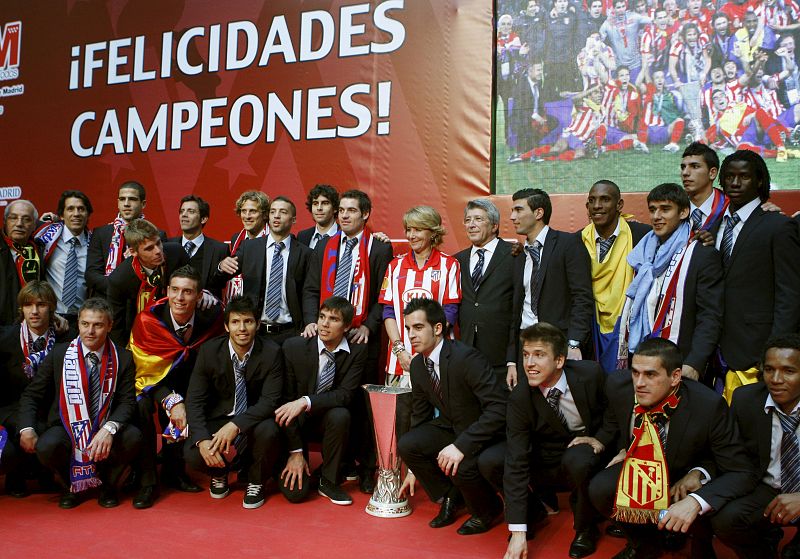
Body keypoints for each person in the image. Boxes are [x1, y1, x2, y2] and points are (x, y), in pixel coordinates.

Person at [588, 338, 757, 558]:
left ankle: (698, 540)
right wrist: (616, 446)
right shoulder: (618, 387)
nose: (639, 383)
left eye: (650, 374)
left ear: (675, 376)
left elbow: (739, 469)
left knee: (698, 490)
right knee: (601, 488)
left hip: (684, 472)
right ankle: (644, 543)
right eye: (635, 372)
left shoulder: (707, 405)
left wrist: (699, 478)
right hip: (640, 466)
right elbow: (613, 425)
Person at [481, 323, 607, 558]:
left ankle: (585, 528)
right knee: (491, 460)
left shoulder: (590, 375)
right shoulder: (520, 397)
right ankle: (532, 514)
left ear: (559, 360)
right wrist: (517, 531)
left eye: (539, 355)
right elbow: (517, 458)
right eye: (526, 355)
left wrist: (599, 439)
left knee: (579, 458)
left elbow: (612, 415)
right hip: (545, 457)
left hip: (584, 451)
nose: (529, 364)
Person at [301, 189, 393, 493]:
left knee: (363, 407)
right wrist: (313, 321)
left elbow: (384, 294)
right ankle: (335, 467)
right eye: (341, 210)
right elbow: (312, 289)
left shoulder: (378, 248)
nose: (344, 215)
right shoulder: (325, 245)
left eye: (351, 210)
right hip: (327, 338)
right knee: (335, 407)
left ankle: (368, 469)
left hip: (359, 338)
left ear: (365, 214)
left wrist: (368, 325)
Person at [16, 298, 142, 509]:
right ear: (78, 324)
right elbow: (32, 394)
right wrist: (26, 427)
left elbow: (128, 402)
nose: (90, 331)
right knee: (47, 446)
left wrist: (109, 428)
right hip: (67, 426)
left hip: (104, 425)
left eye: (98, 325)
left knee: (133, 437)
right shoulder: (60, 354)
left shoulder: (123, 358)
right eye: (85, 324)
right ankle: (70, 486)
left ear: (109, 326)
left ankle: (108, 486)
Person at [398, 298, 506, 535]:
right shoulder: (418, 366)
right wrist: (413, 469)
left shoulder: (466, 358)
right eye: (408, 329)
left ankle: (489, 508)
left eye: (418, 327)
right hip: (450, 425)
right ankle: (451, 496)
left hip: (483, 429)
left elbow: (499, 409)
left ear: (438, 328)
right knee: (408, 444)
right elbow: (420, 415)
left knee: (461, 464)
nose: (411, 335)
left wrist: (461, 445)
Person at [127, 266, 223, 508]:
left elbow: (211, 366)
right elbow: (142, 371)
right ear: (167, 291)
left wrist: (188, 400)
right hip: (151, 385)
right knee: (140, 407)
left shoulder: (212, 319)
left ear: (199, 296)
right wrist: (171, 400)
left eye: (188, 292)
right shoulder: (148, 321)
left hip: (193, 383)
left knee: (196, 404)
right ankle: (147, 480)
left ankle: (175, 471)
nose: (180, 298)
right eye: (175, 290)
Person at [184, 296, 284, 509]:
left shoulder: (271, 352)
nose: (242, 329)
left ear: (257, 324)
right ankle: (219, 473)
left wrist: (236, 425)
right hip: (219, 418)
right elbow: (194, 400)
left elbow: (270, 401)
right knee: (192, 453)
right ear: (226, 326)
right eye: (236, 322)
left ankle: (255, 480)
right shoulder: (209, 351)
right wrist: (202, 440)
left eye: (248, 321)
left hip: (254, 420)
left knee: (269, 431)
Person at [716, 150, 800, 400]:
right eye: (729, 176)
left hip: (757, 348)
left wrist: (773, 351)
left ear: (760, 181)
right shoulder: (714, 226)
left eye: (744, 176)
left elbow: (790, 294)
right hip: (716, 348)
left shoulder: (778, 226)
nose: (735, 182)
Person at [619, 183, 723, 381]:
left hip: (681, 362)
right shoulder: (643, 253)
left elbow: (710, 317)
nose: (657, 216)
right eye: (652, 210)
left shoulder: (702, 254)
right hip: (643, 358)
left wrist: (695, 363)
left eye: (665, 209)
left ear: (684, 212)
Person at [712, 334, 800, 558]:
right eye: (769, 369)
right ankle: (764, 548)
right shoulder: (746, 399)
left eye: (789, 371)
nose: (776, 379)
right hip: (768, 488)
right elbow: (729, 453)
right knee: (726, 520)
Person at [276, 296, 367, 506]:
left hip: (329, 422)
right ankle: (293, 461)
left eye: (333, 319)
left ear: (346, 327)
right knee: (296, 495)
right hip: (294, 423)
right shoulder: (294, 347)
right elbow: (285, 402)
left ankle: (329, 480)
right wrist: (296, 452)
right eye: (322, 317)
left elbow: (345, 395)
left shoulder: (358, 351)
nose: (324, 324)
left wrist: (306, 401)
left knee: (341, 413)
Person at [508, 188, 593, 386]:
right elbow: (516, 309)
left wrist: (574, 342)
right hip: (525, 344)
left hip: (559, 344)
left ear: (538, 213)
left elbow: (582, 297)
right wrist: (512, 359)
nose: (512, 217)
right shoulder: (519, 255)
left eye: (519, 210)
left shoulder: (568, 243)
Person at [0, 281, 66, 497]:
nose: (34, 311)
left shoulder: (66, 339)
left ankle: (47, 471)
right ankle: (16, 473)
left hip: (49, 408)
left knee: (49, 423)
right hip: (12, 408)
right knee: (24, 424)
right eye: (28, 305)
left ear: (52, 308)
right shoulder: (5, 338)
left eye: (41, 305)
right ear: (21, 309)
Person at [214, 196, 310, 344]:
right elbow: (218, 279)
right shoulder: (250, 248)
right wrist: (221, 267)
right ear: (268, 216)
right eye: (273, 212)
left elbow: (309, 292)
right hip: (255, 332)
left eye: (283, 212)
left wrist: (309, 323)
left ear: (294, 219)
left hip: (291, 333)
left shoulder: (305, 253)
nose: (276, 216)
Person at [580, 180, 651, 373]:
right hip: (590, 327)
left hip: (629, 326)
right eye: (592, 201)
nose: (597, 206)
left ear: (619, 205)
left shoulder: (642, 236)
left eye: (605, 199)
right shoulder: (577, 241)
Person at [455, 199, 516, 386]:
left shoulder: (514, 255)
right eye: (468, 220)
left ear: (494, 225)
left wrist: (512, 358)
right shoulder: (457, 261)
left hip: (501, 355)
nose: (471, 225)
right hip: (467, 353)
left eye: (478, 219)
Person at [107, 219, 190, 345]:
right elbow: (116, 327)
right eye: (149, 248)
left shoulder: (176, 254)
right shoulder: (119, 279)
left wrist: (205, 293)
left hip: (178, 331)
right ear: (133, 252)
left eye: (158, 243)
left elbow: (194, 282)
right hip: (140, 338)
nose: (158, 251)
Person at [86, 181, 164, 298]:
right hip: (105, 301)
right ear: (118, 203)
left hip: (140, 301)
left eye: (132, 199)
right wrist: (117, 287)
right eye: (122, 199)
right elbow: (92, 274)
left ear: (143, 204)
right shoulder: (100, 233)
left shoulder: (158, 235)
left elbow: (159, 275)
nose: (126, 204)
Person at [34, 191, 92, 335]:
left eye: (81, 209)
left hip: (84, 321)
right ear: (61, 215)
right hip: (51, 318)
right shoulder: (45, 237)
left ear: (88, 214)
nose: (76, 213)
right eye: (70, 209)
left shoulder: (97, 243)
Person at [168, 195, 228, 299]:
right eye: (182, 211)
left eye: (190, 211)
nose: (184, 215)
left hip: (206, 311)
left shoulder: (220, 249)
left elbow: (221, 285)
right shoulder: (167, 246)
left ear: (203, 219)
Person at [223, 190, 270, 304]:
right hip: (237, 305)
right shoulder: (236, 238)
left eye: (253, 211)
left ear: (264, 214)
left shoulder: (272, 239)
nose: (247, 216)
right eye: (244, 211)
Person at [0, 200, 43, 326]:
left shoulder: (39, 250)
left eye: (26, 219)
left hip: (30, 326)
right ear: (4, 222)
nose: (19, 224)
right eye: (13, 218)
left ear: (35, 225)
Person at [680, 141, 727, 235]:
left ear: (712, 173)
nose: (685, 173)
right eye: (683, 167)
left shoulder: (729, 206)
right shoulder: (674, 207)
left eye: (695, 166)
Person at [297, 184, 340, 249]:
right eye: (315, 204)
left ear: (335, 208)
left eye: (325, 203)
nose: (319, 208)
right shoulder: (302, 236)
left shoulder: (344, 235)